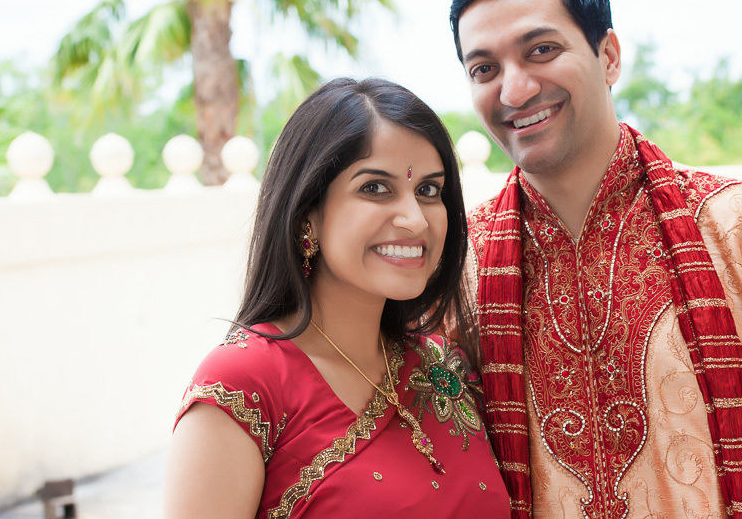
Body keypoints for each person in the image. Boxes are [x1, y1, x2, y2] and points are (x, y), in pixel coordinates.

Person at [449, 0, 742, 518]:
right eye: (485, 69)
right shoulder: (460, 264)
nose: (514, 89)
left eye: (542, 50)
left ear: (608, 55)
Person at [165, 78, 510, 519]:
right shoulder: (244, 382)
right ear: (308, 213)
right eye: (375, 188)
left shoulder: (448, 369)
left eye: (428, 190)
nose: (414, 220)